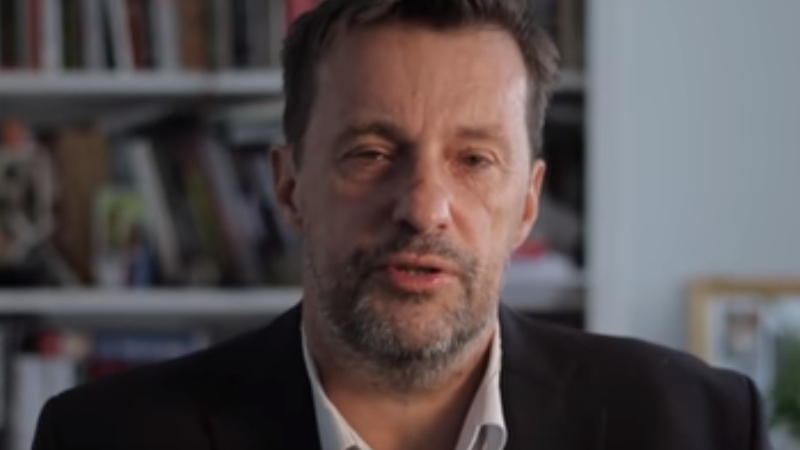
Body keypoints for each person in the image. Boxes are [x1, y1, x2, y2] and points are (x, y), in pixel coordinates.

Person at [32, 0, 772, 449]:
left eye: (474, 159)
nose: (422, 208)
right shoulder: (102, 437)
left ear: (527, 203)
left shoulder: (700, 428)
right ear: (289, 187)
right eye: (371, 153)